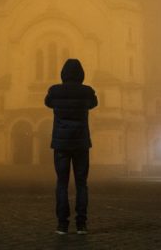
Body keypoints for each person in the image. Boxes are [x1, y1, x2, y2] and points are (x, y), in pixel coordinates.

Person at [44, 59, 98, 235]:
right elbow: (93, 103)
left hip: (61, 144)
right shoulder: (87, 92)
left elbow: (48, 103)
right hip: (81, 143)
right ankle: (81, 224)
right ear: (81, 74)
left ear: (63, 74)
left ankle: (62, 224)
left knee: (62, 184)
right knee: (82, 184)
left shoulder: (55, 91)